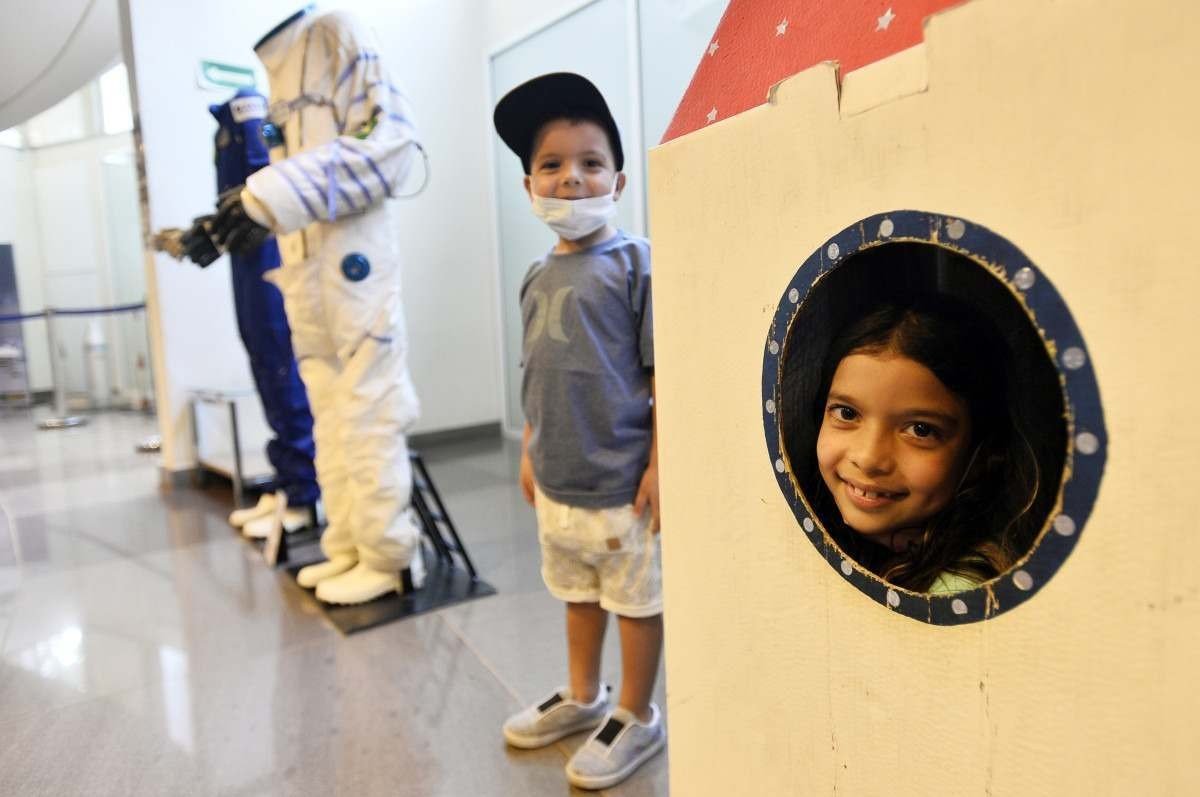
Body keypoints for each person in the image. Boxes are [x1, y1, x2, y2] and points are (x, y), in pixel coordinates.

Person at [210, 6, 427, 604]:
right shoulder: (283, 65)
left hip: (354, 261)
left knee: (370, 408)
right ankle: (350, 546)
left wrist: (267, 196)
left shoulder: (338, 33)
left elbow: (390, 144)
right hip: (306, 266)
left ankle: (390, 558)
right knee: (328, 412)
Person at [493, 73, 665, 790]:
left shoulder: (636, 264)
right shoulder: (535, 276)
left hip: (621, 481)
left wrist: (659, 463)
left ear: (617, 180)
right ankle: (584, 692)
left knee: (634, 600)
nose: (571, 178)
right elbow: (537, 370)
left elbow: (662, 375)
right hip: (558, 477)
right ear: (529, 185)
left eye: (591, 162)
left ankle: (636, 712)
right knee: (577, 591)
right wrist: (530, 447)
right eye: (552, 164)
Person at [808, 296, 1042, 594]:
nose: (868, 458)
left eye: (920, 430)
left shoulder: (959, 590)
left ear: (983, 455)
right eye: (847, 413)